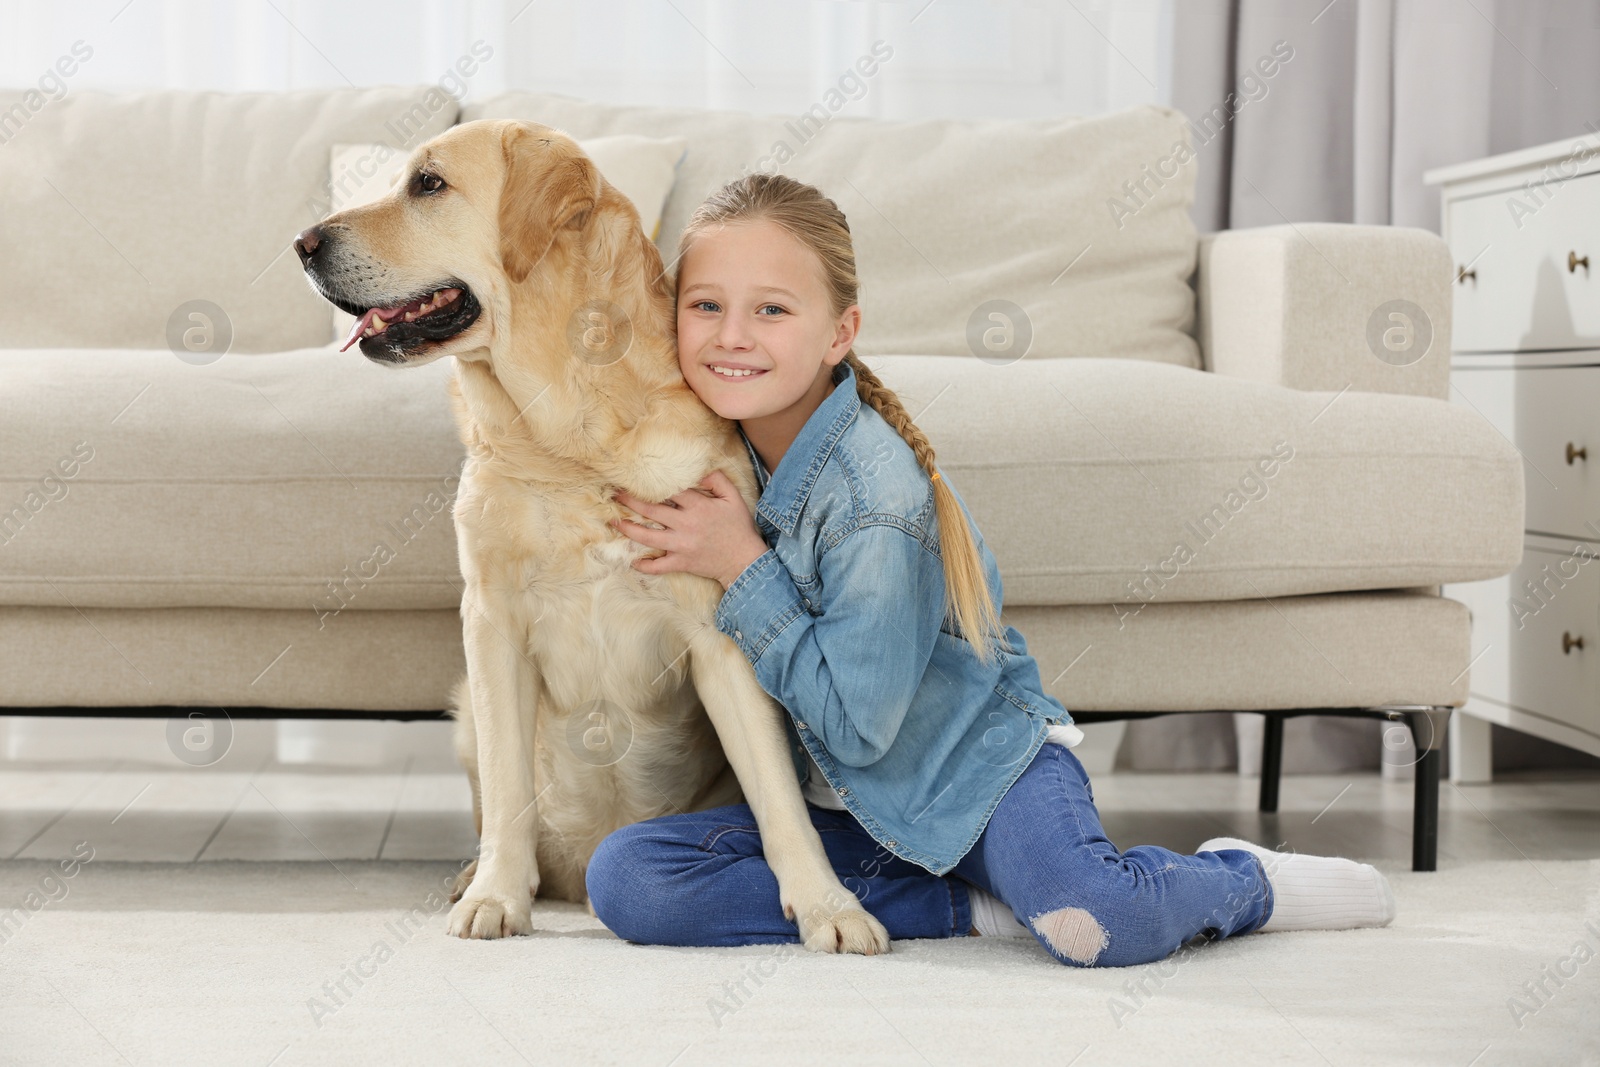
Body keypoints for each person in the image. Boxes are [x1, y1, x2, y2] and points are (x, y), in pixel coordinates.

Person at [585, 172, 1395, 967]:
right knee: (632, 880)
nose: (731, 334)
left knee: (1097, 922)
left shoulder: (875, 496)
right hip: (851, 813)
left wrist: (743, 564)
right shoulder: (717, 459)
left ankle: (1249, 881)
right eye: (705, 305)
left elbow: (858, 731)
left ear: (839, 332)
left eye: (771, 308)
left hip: (984, 783)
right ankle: (970, 907)